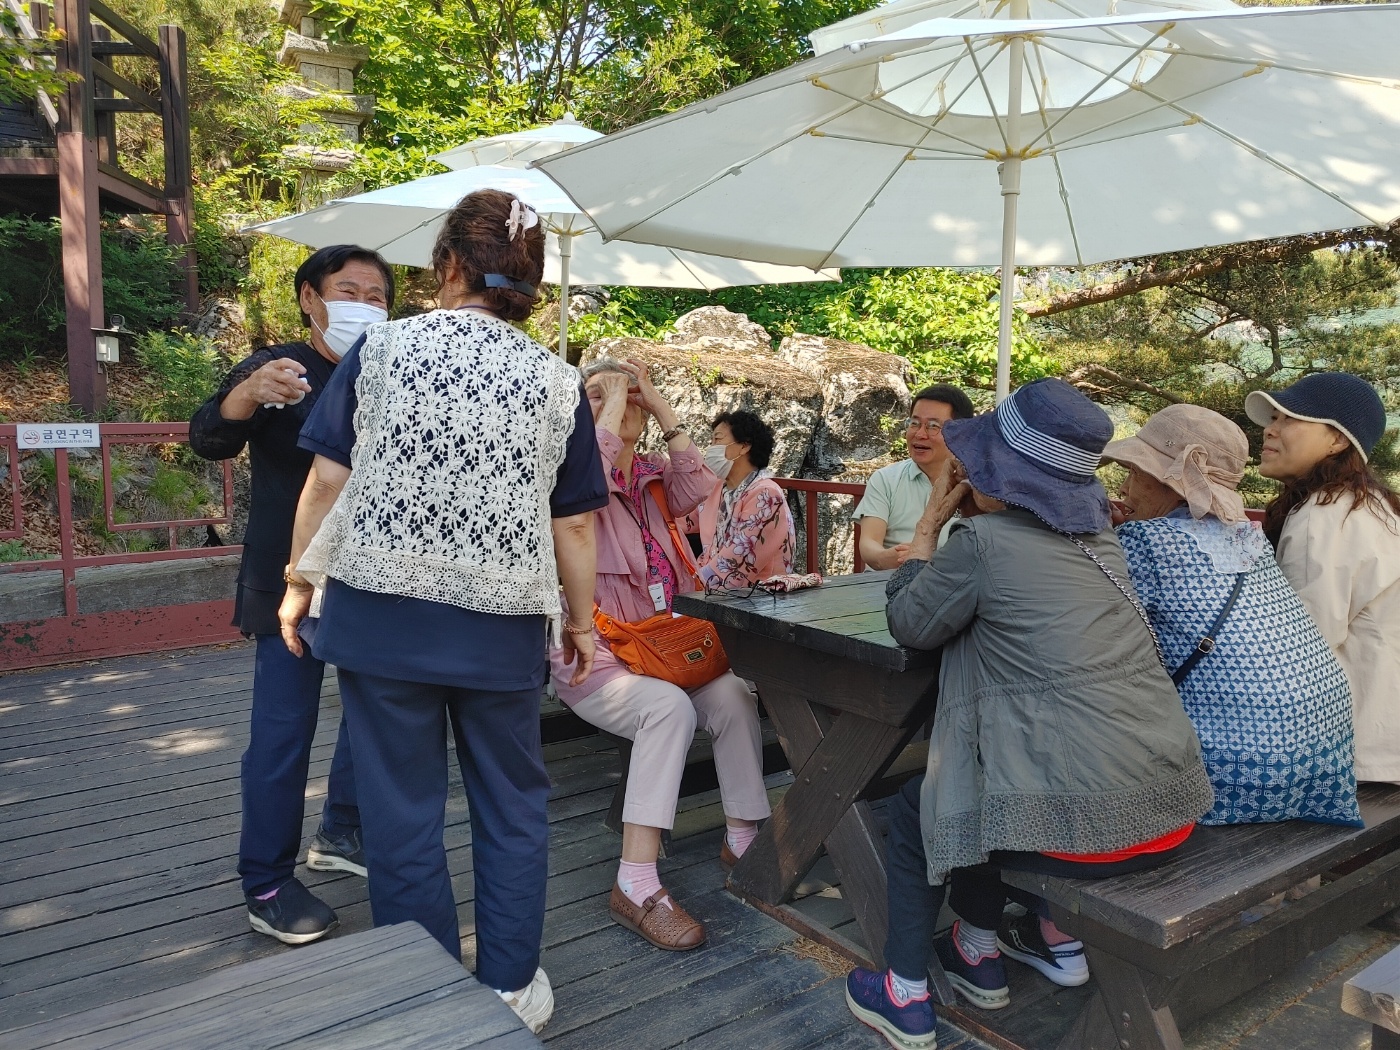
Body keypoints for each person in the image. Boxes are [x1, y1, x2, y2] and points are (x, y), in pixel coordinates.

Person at [278, 189, 606, 1034]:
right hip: (500, 628)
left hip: (380, 620)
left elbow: (326, 481)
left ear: (449, 265)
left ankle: (422, 991)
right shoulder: (557, 381)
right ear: (530, 281)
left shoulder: (383, 350)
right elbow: (573, 523)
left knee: (400, 810)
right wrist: (581, 623)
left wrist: (298, 583)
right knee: (512, 804)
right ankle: (511, 984)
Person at [844, 378, 1213, 1050]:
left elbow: (911, 622)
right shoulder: (1102, 542)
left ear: (1000, 477)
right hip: (1167, 808)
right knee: (981, 774)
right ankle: (978, 948)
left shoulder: (981, 544)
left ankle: (904, 993)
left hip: (1094, 831)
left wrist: (928, 527)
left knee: (924, 804)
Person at [189, 244, 393, 945]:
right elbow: (209, 438)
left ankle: (342, 830)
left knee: (373, 716)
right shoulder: (280, 367)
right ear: (311, 298)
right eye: (348, 291)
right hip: (290, 580)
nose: (363, 305)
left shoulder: (394, 368)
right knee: (283, 730)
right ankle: (267, 881)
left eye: (376, 295)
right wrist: (247, 394)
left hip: (374, 578)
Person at [548, 357, 772, 952]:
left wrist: (656, 402)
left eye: (623, 395)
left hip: (665, 649)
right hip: (594, 655)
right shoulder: (564, 468)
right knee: (666, 710)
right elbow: (588, 479)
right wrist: (605, 409)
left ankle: (743, 837)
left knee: (733, 694)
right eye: (596, 395)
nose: (615, 403)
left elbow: (700, 485)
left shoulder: (652, 476)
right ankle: (636, 880)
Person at [1103, 404, 1361, 827]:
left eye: (1135, 471)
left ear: (1173, 483)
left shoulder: (1146, 540)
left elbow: (1098, 641)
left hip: (1238, 771)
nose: (1124, 488)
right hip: (1321, 756)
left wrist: (1105, 540)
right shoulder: (1248, 538)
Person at [1248, 373, 1400, 784]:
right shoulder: (1371, 506)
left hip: (1354, 755)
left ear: (1336, 440)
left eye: (1290, 418)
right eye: (1273, 418)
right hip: (1385, 742)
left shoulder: (1322, 516)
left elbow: (1302, 648)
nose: (1270, 430)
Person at [854, 384, 976, 570]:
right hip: (887, 579)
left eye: (933, 426)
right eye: (914, 423)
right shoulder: (885, 479)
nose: (920, 434)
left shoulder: (978, 486)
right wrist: (889, 557)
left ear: (961, 434)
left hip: (951, 581)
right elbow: (869, 543)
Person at [693, 409, 796, 588]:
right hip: (714, 590)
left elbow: (736, 560)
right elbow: (682, 518)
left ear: (744, 446)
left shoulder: (767, 495)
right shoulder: (717, 488)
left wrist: (689, 584)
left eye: (717, 439)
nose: (711, 448)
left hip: (756, 595)